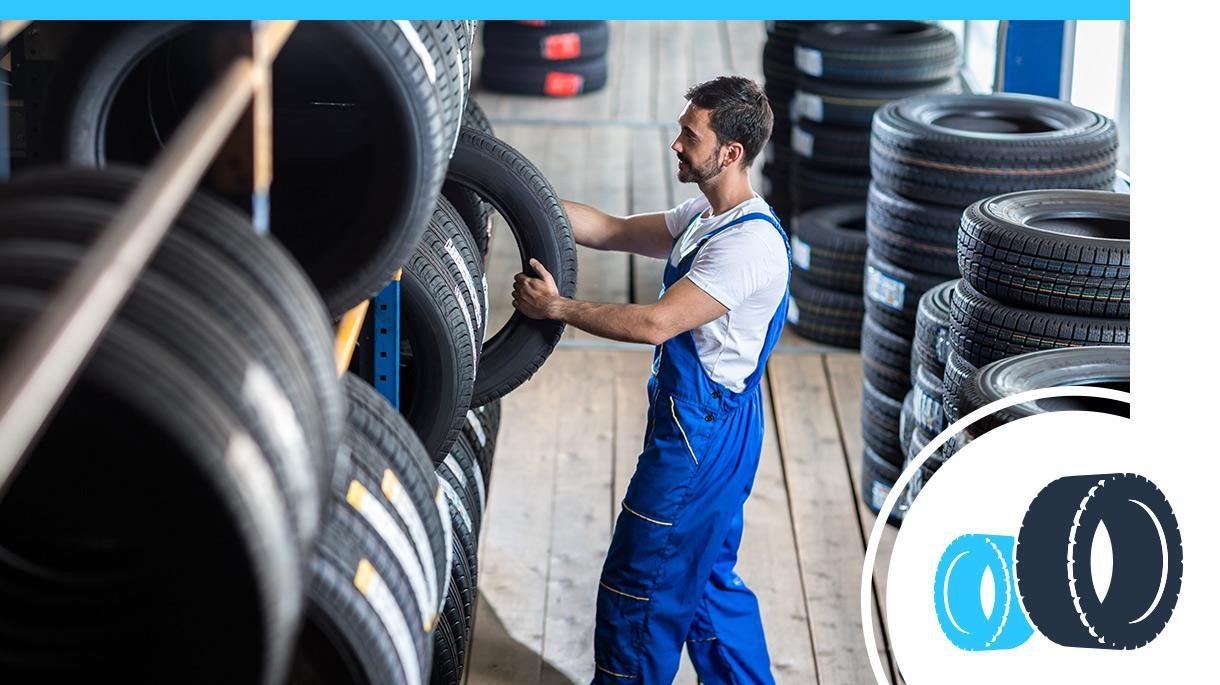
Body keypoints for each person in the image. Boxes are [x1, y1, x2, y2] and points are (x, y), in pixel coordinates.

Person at [512, 75, 786, 685]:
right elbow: (609, 230)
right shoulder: (705, 216)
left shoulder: (748, 247)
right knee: (707, 587)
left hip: (702, 440)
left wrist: (558, 308)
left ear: (731, 153)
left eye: (690, 135)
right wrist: (516, 196)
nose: (677, 144)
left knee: (640, 587)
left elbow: (656, 324)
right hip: (712, 425)